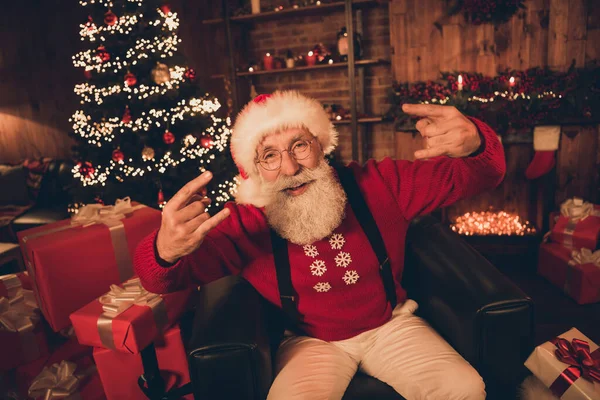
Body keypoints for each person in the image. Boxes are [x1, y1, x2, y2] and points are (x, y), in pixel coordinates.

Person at [134, 90, 506, 400]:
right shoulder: (244, 222)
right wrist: (165, 249)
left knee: (465, 388)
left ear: (321, 144)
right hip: (310, 341)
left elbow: (483, 174)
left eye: (299, 146)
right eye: (270, 156)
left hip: (389, 326)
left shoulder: (379, 183)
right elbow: (159, 280)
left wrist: (475, 140)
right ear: (255, 170)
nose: (291, 168)